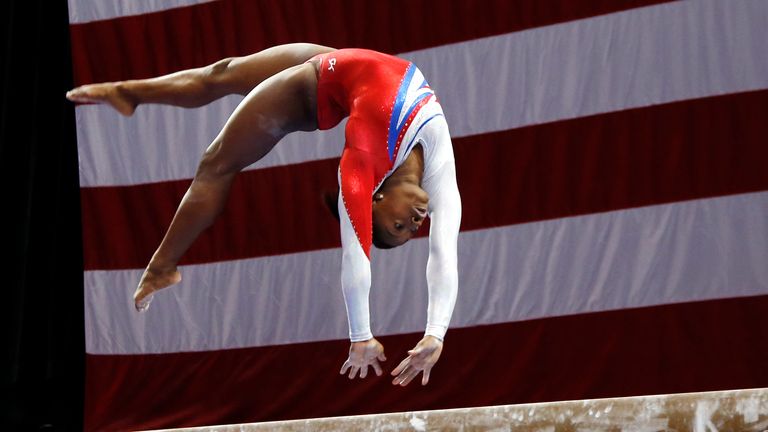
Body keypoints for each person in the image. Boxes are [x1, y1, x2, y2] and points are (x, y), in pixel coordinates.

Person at [67, 43, 461, 387]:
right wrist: (436, 335)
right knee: (220, 72)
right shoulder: (439, 167)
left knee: (216, 163)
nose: (416, 223)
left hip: (310, 89)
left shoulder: (359, 168)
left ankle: (161, 267)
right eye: (409, 227)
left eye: (400, 228)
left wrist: (371, 334)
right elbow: (445, 249)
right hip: (342, 68)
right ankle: (128, 93)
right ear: (376, 199)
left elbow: (356, 256)